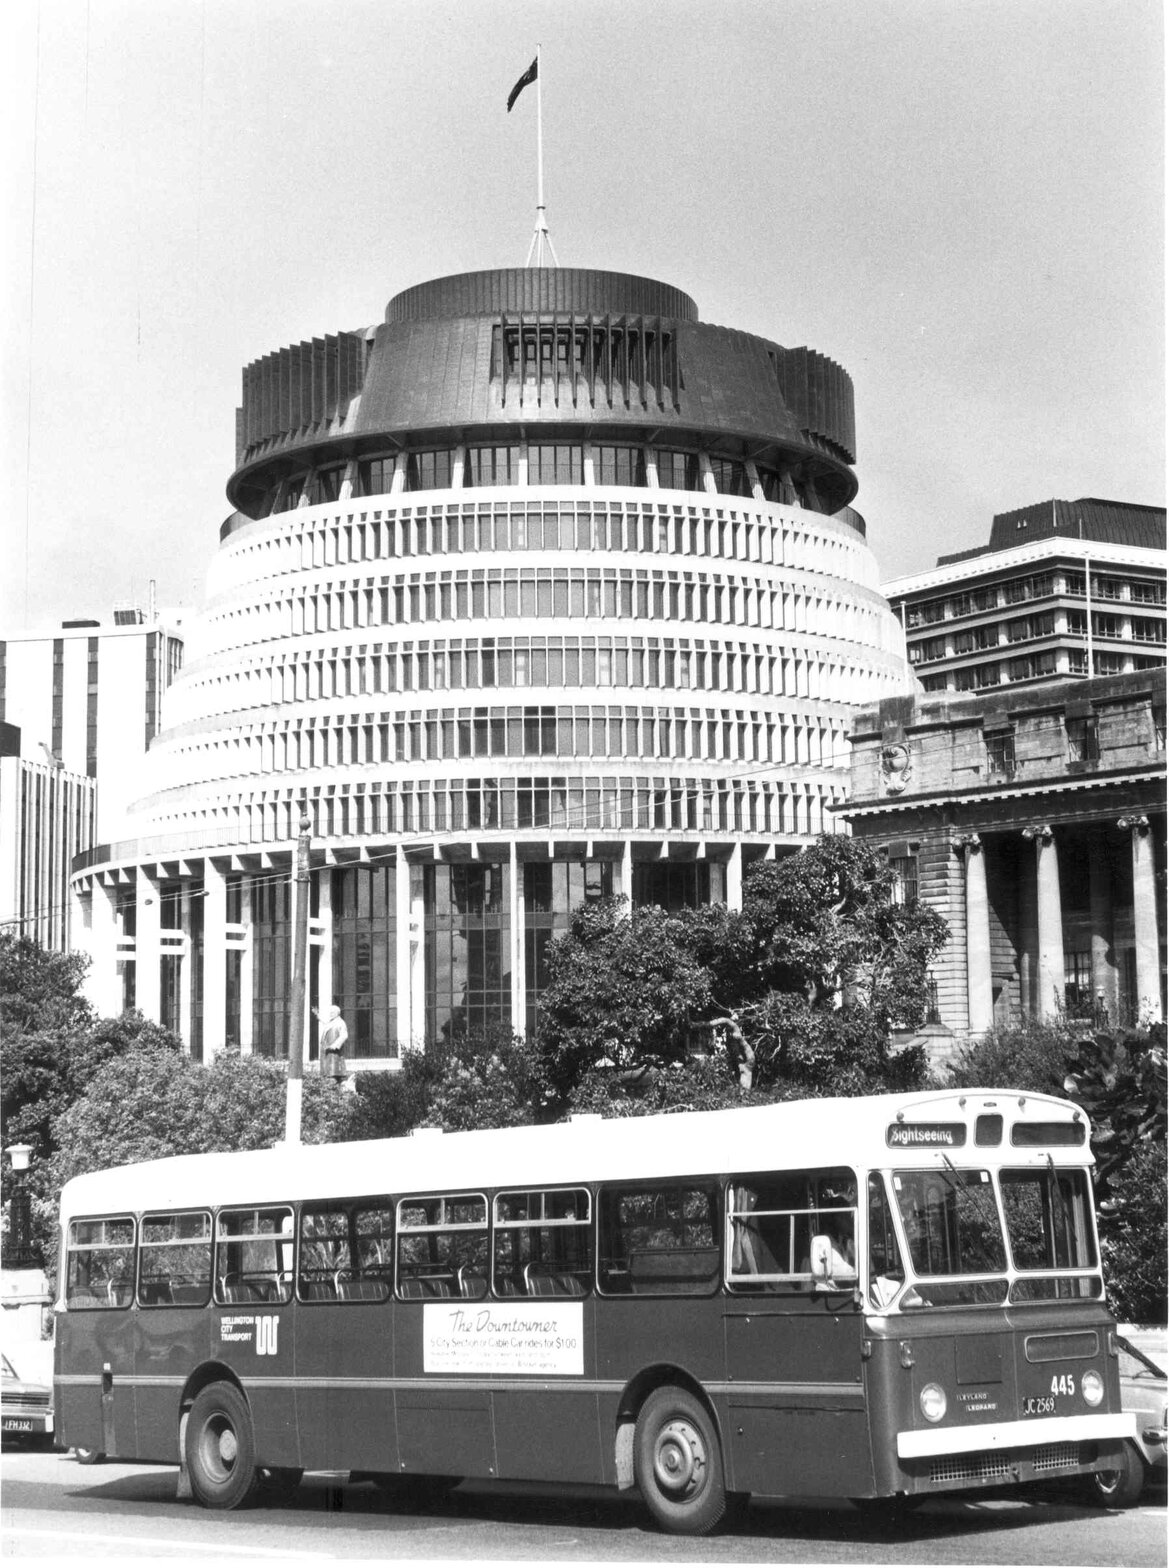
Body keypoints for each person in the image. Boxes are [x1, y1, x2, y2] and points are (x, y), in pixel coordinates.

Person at [318, 1005, 349, 1086]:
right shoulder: (330, 1022)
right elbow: (326, 1025)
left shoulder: (341, 1022)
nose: (330, 1014)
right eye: (330, 1012)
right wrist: (318, 1017)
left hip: (334, 1053)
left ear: (337, 1013)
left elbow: (344, 1035)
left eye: (332, 1012)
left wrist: (334, 1046)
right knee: (327, 1072)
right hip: (327, 1052)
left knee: (333, 1073)